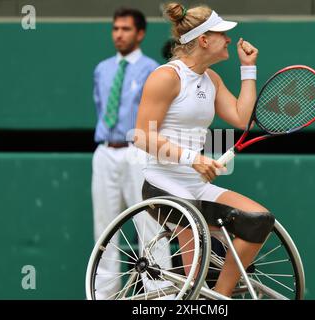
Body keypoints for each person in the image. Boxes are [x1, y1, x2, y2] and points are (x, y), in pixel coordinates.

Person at [134, 3, 273, 297]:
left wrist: (248, 68)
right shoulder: (166, 77)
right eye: (222, 33)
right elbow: (142, 136)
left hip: (195, 187)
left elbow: (241, 116)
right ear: (204, 40)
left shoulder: (211, 80)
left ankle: (218, 298)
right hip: (162, 186)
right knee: (197, 256)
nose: (229, 39)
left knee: (259, 220)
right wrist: (193, 159)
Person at [91, 7, 170, 299]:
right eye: (115, 29)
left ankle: (160, 296)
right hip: (105, 152)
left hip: (138, 153)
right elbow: (101, 107)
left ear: (140, 33)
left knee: (149, 224)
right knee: (105, 230)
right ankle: (103, 295)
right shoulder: (101, 69)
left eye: (125, 29)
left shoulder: (152, 69)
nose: (119, 34)